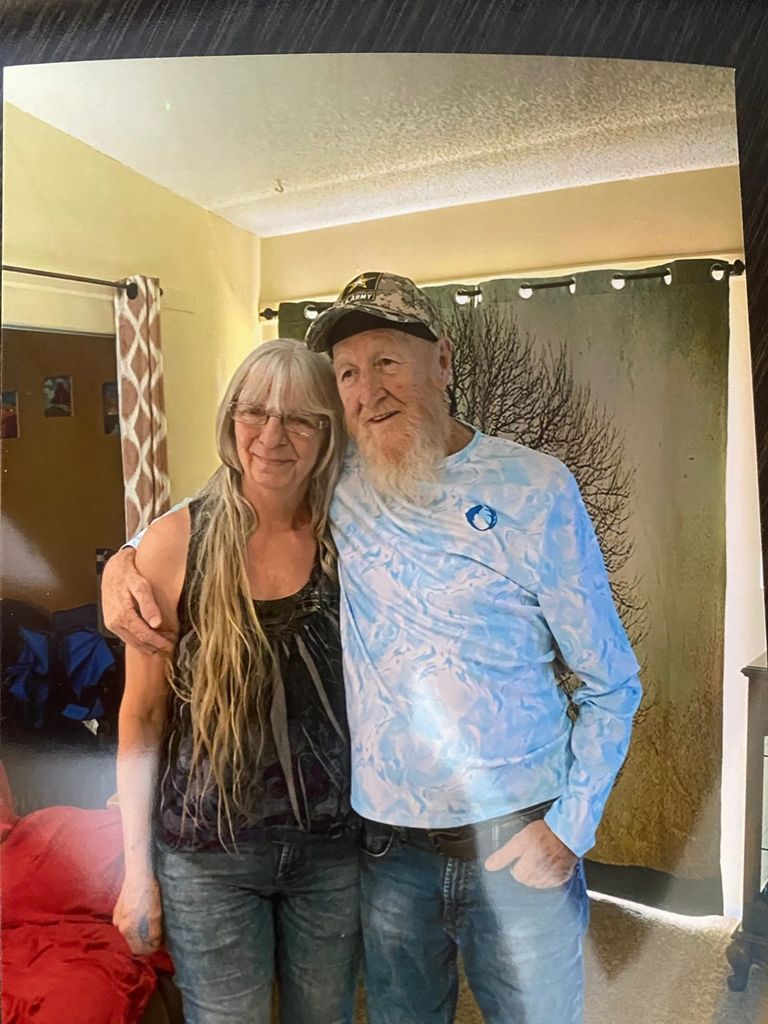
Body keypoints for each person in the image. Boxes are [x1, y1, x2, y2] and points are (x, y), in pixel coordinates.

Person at [104, 273, 643, 1024]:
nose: (368, 391)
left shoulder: (536, 488)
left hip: (521, 835)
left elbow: (611, 682)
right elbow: (235, 493)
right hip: (389, 855)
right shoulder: (340, 480)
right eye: (349, 374)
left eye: (387, 362)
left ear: (442, 360)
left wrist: (572, 828)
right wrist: (126, 558)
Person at [111, 339, 360, 1024]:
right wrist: (135, 871)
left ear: (328, 433)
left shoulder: (353, 536)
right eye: (255, 412)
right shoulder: (175, 543)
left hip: (333, 847)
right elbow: (142, 715)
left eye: (299, 418)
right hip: (206, 855)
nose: (272, 436)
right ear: (230, 419)